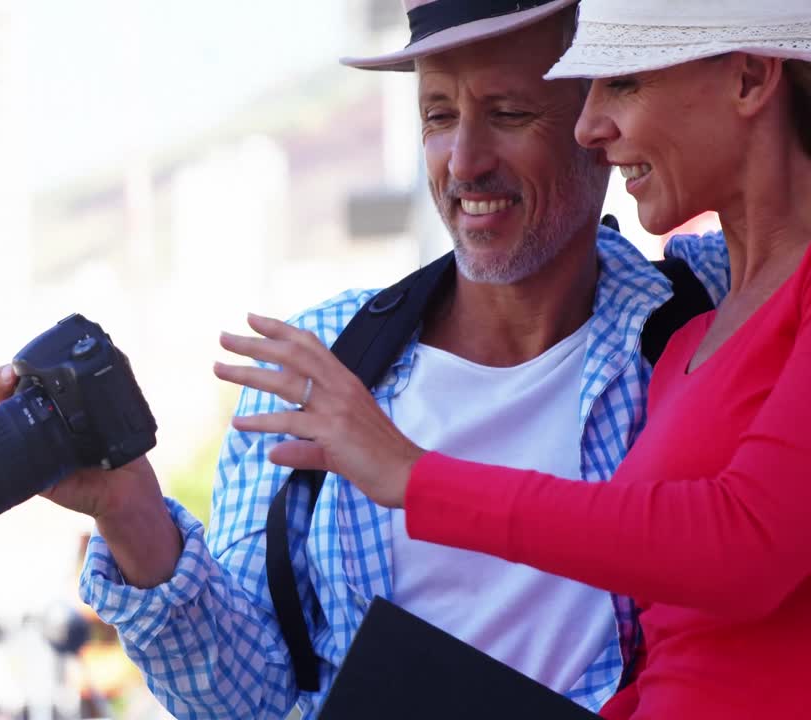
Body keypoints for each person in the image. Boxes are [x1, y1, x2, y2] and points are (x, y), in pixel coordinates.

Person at [0, 3, 729, 718]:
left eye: (508, 113)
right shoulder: (319, 363)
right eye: (438, 116)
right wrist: (130, 511)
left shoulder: (712, 314)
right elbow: (242, 700)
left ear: (599, 122)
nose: (463, 161)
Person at [216, 1, 811, 718]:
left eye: (619, 81)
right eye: (436, 116)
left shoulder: (679, 313)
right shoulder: (691, 338)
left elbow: (740, 546)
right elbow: (675, 648)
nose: (594, 128)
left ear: (750, 77)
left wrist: (416, 478)